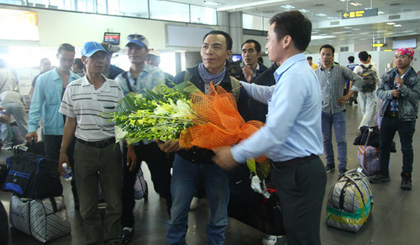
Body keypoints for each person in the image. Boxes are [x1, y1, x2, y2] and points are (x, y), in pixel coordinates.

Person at [213, 11, 327, 245]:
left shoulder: (295, 76)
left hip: (298, 171)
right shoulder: (294, 72)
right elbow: (270, 94)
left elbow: (275, 132)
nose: (266, 44)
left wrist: (234, 153)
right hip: (296, 170)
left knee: (302, 238)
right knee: (298, 234)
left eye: (268, 37)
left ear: (286, 41)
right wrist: (240, 85)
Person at [156, 30, 249, 245]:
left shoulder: (235, 87)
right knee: (177, 213)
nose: (209, 51)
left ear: (228, 53)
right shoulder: (184, 78)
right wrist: (163, 139)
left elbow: (240, 129)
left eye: (216, 47)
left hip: (217, 163)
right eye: (205, 46)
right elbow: (165, 115)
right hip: (185, 160)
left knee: (218, 216)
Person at [58, 41, 124, 244]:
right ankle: (94, 239)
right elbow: (70, 122)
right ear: (84, 60)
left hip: (110, 149)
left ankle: (113, 237)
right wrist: (62, 152)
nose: (100, 61)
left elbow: (123, 122)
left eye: (103, 57)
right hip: (83, 151)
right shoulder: (73, 88)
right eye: (95, 57)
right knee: (87, 205)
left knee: (114, 202)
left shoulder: (115, 87)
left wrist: (129, 148)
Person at [114, 34, 172, 243]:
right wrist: (129, 145)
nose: (133, 52)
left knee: (163, 183)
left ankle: (175, 219)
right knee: (126, 186)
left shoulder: (157, 74)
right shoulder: (119, 80)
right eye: (130, 48)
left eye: (138, 48)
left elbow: (157, 107)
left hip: (154, 142)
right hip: (131, 144)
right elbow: (122, 115)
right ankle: (127, 224)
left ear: (146, 51)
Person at [26, 43, 80, 208]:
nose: (67, 63)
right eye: (64, 59)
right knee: (52, 168)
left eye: (70, 60)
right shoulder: (44, 79)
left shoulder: (77, 81)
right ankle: (54, 203)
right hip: (51, 132)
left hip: (73, 133)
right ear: (57, 57)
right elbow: (35, 106)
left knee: (77, 168)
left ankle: (79, 201)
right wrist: (32, 129)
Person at [370, 47, 420, 191]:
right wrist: (390, 93)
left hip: (406, 118)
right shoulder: (388, 75)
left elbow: (416, 97)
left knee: (406, 148)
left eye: (403, 57)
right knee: (384, 145)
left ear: (410, 59)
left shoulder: (415, 78)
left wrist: (402, 87)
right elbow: (379, 92)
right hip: (387, 116)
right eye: (397, 56)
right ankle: (383, 172)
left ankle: (406, 176)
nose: (398, 59)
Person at [315, 44, 363, 175]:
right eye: (323, 54)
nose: (325, 57)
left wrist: (348, 95)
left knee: (341, 140)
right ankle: (330, 163)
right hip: (323, 111)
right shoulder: (315, 73)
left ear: (333, 56)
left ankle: (342, 166)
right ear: (320, 56)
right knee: (325, 139)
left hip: (339, 112)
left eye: (328, 54)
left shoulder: (341, 70)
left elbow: (358, 79)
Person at [353, 51, 380, 128]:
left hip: (361, 90)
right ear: (368, 57)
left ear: (360, 59)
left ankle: (363, 126)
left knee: (363, 109)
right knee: (369, 109)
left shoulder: (357, 68)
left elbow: (354, 79)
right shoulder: (374, 67)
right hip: (371, 90)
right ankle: (364, 126)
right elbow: (378, 79)